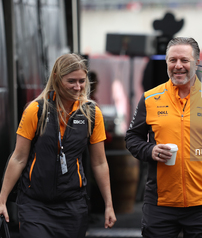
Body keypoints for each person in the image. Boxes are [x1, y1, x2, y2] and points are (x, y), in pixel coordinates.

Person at [125, 37, 202, 237]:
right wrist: (150, 150)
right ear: (166, 63)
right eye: (172, 60)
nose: (178, 66)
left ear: (197, 63)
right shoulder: (150, 99)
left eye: (184, 60)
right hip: (160, 204)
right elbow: (132, 138)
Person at [0, 53, 116, 237]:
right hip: (34, 204)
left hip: (72, 206)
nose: (78, 87)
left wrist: (109, 205)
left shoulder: (92, 113)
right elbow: (18, 157)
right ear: (56, 78)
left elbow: (100, 163)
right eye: (71, 81)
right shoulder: (36, 109)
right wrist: (2, 199)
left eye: (82, 81)